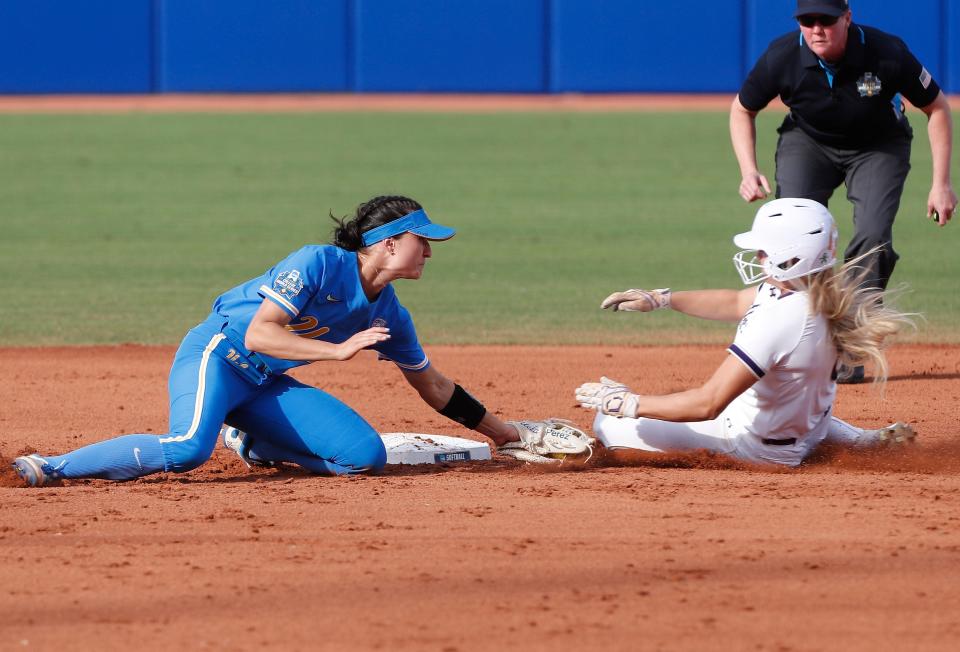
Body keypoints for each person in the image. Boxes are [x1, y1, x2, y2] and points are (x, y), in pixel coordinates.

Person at [12, 195, 591, 487]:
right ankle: (49, 467)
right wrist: (336, 351)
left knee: (362, 459)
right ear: (387, 243)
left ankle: (256, 445)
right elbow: (263, 332)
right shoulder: (317, 263)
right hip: (219, 354)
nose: (431, 250)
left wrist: (507, 434)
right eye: (423, 239)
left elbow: (433, 385)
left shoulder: (390, 311)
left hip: (264, 382)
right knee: (189, 447)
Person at [575, 198, 915, 468]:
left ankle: (846, 440)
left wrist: (627, 403)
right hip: (808, 429)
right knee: (789, 396)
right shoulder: (814, 293)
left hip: (757, 446)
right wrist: (661, 299)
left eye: (765, 249)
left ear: (792, 255)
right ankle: (860, 439)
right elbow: (736, 301)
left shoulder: (782, 318)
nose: (757, 255)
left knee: (606, 424)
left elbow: (708, 404)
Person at [729, 0, 956, 383]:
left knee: (872, 236)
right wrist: (748, 170)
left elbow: (936, 107)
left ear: (847, 18)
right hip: (809, 142)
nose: (817, 28)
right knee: (791, 239)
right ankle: (787, 339)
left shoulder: (886, 53)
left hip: (878, 145)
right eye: (807, 20)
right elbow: (741, 109)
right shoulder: (782, 56)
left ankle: (851, 345)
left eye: (827, 20)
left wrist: (941, 184)